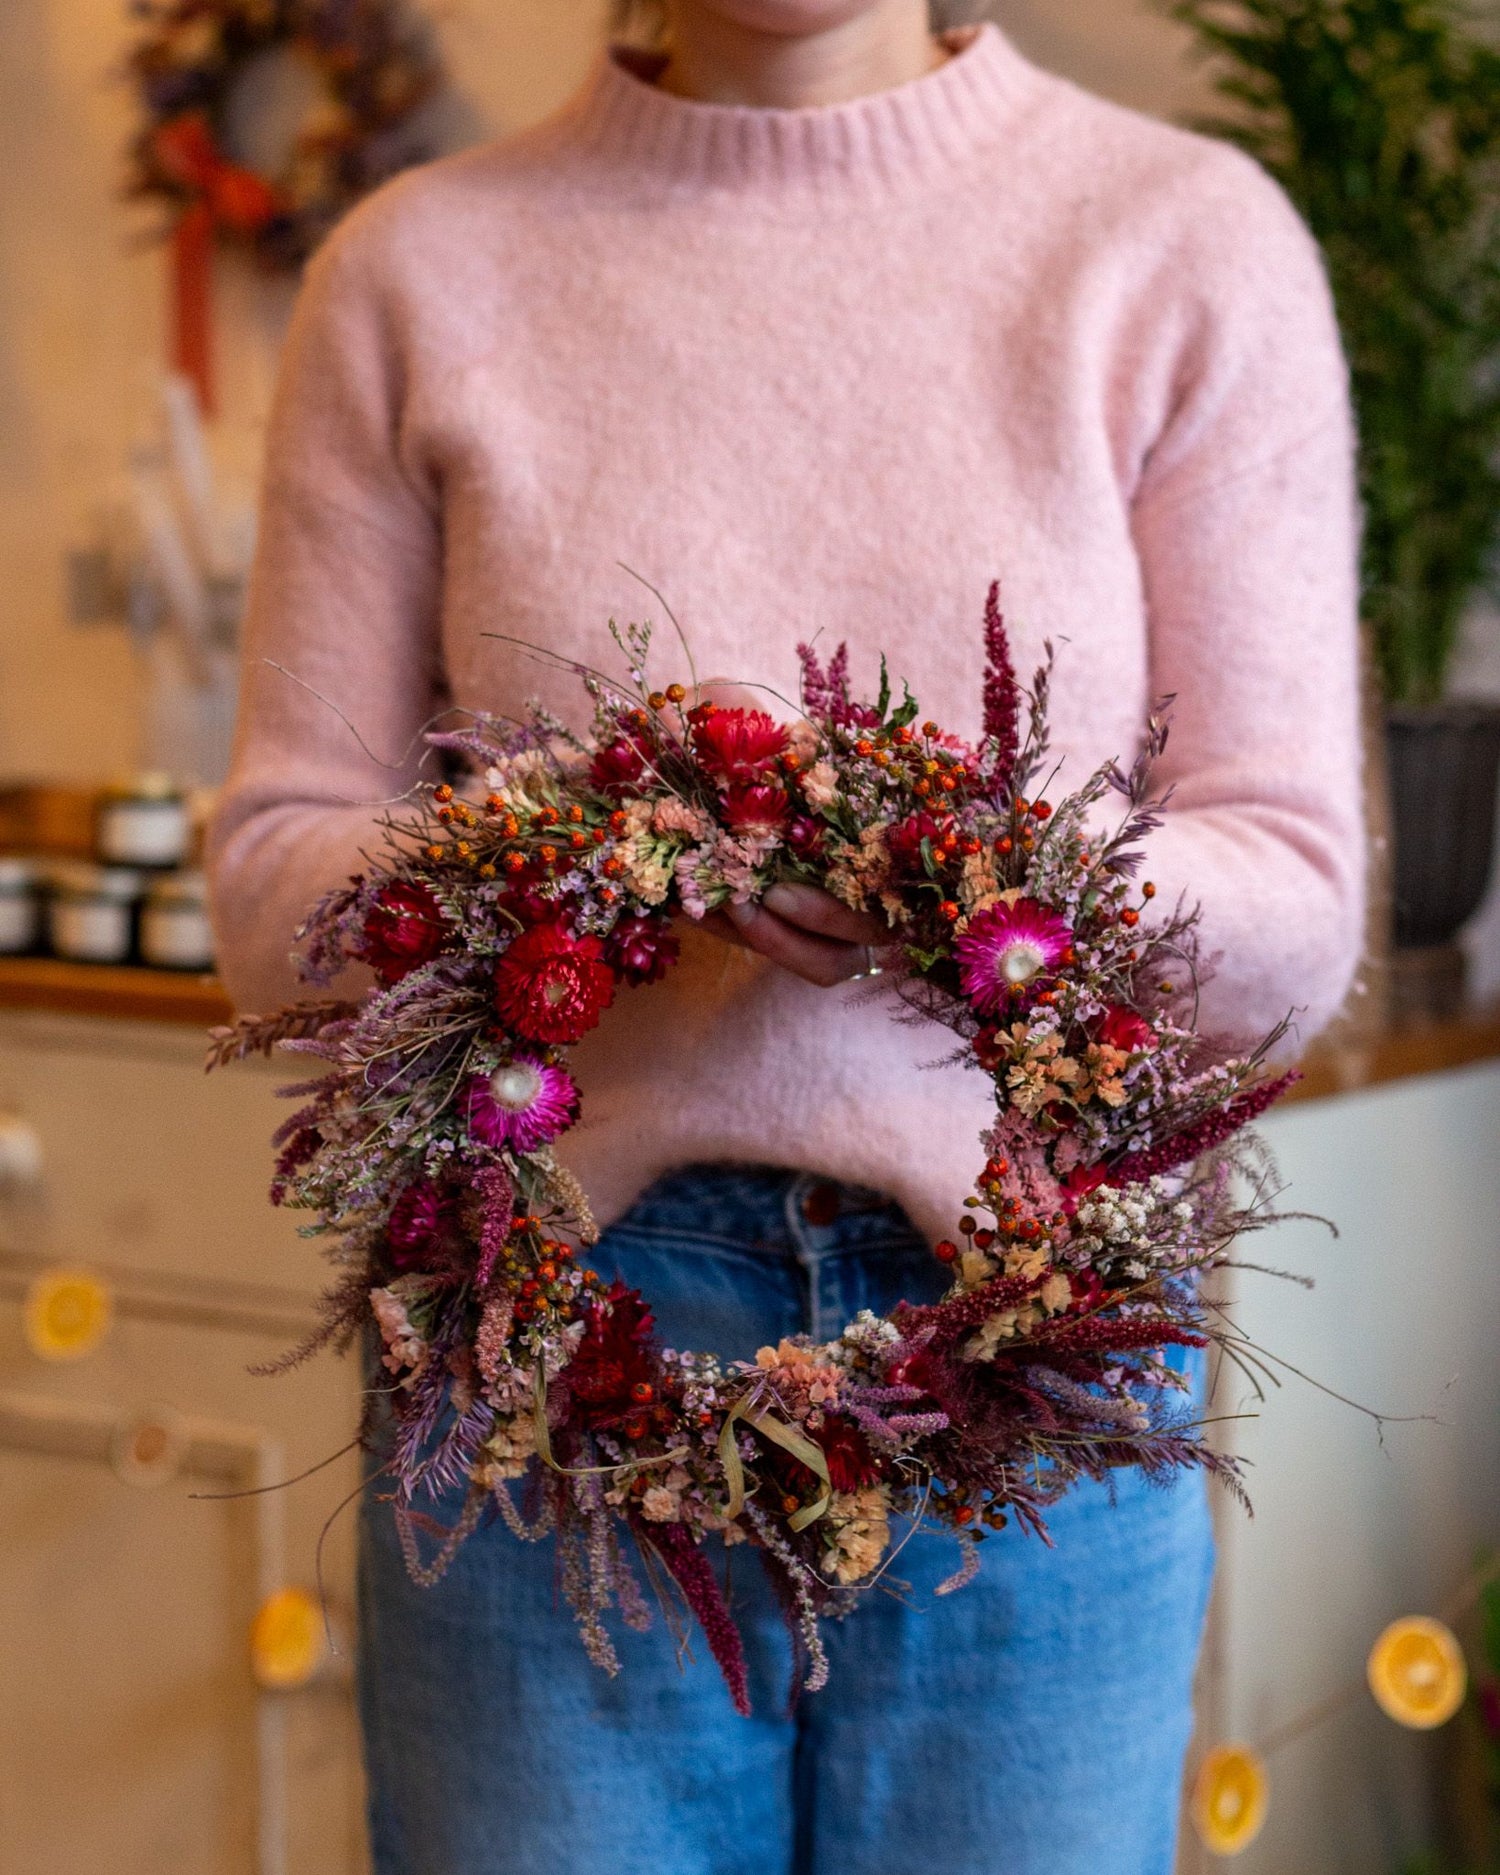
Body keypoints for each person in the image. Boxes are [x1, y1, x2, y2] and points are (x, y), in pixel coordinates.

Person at [208, 0, 1365, 1868]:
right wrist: (580, 850)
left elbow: (1291, 901)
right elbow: (274, 892)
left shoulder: (1177, 242)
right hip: (546, 1350)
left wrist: (947, 864)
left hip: (1046, 1347)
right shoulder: (418, 271)